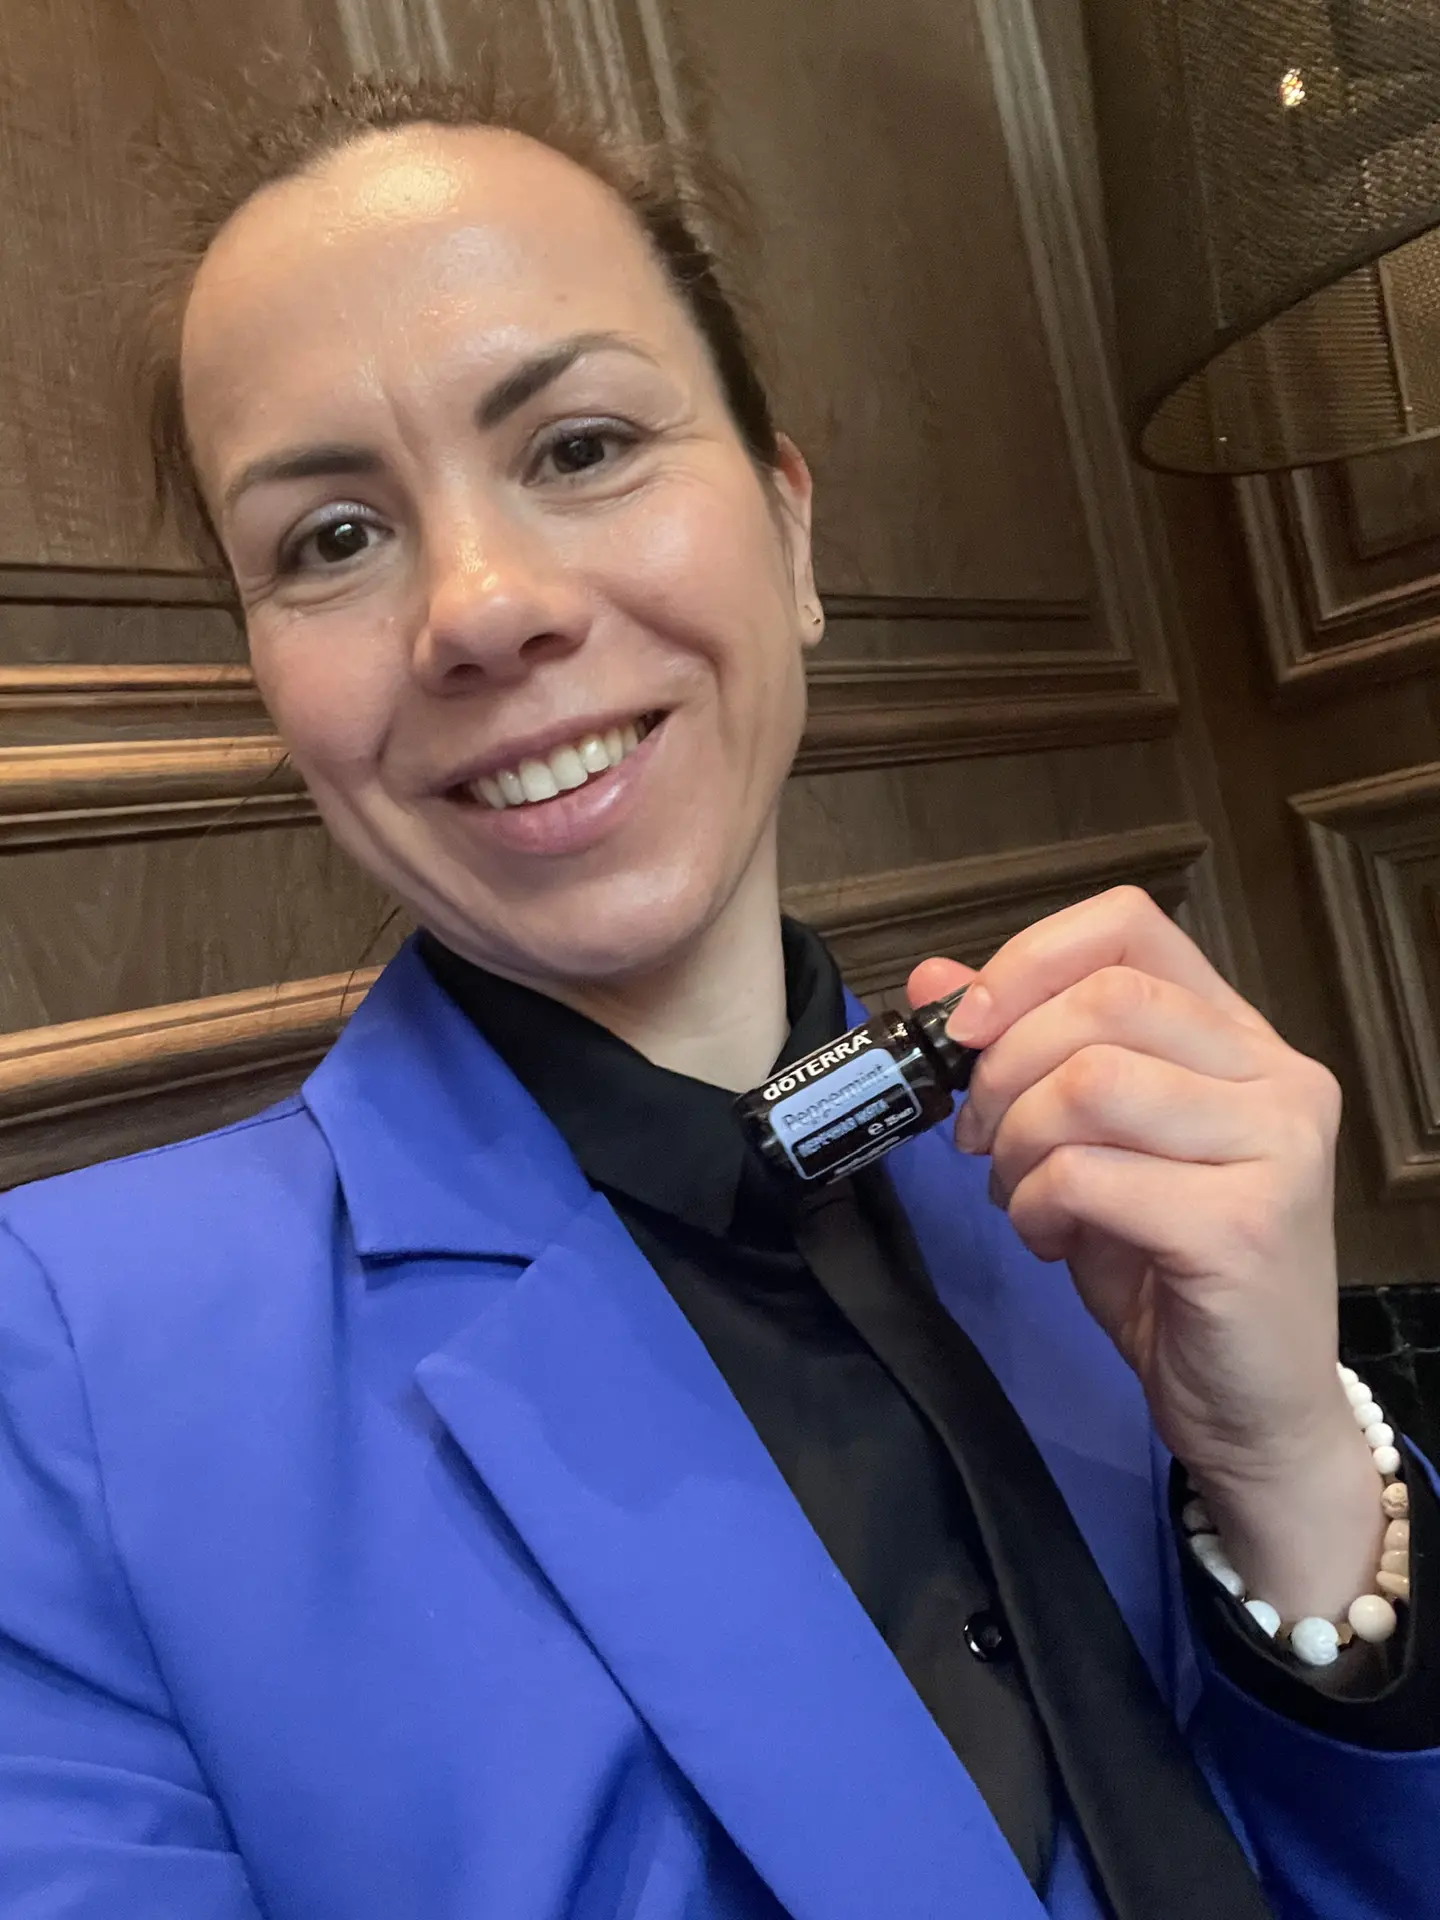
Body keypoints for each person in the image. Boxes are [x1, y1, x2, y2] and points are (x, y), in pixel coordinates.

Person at [1, 73, 1436, 1920]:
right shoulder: (68, 1378)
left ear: (791, 532)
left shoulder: (1105, 1192)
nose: (481, 606)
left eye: (582, 444)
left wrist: (1293, 1470)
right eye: (331, 538)